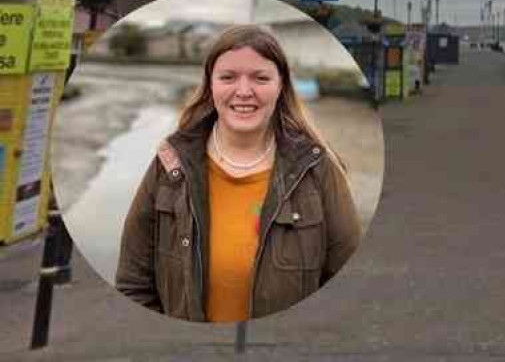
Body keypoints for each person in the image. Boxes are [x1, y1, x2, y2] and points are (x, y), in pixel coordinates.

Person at [115, 24, 362, 322]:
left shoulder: (318, 169)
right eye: (228, 77)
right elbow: (133, 286)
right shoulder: (170, 165)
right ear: (211, 85)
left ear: (281, 85)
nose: (244, 92)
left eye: (260, 78)